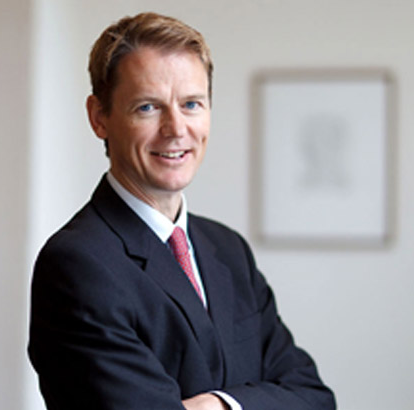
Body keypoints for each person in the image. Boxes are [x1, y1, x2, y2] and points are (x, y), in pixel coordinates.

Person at [28, 12, 336, 410]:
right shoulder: (78, 264)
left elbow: (314, 398)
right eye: (147, 107)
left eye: (191, 104)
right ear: (99, 117)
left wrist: (219, 405)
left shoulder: (228, 250)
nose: (175, 129)